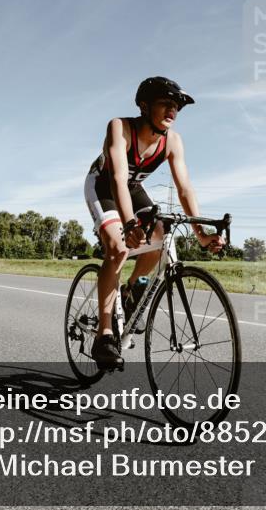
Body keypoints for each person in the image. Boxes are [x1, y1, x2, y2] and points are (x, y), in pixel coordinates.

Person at [84, 76, 224, 369]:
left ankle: (130, 292)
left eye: (176, 107)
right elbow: (118, 178)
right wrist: (129, 225)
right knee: (118, 248)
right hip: (104, 185)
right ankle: (104, 334)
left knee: (161, 239)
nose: (172, 110)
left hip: (134, 188)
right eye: (165, 103)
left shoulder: (172, 141)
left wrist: (201, 233)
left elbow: (184, 188)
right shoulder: (120, 127)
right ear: (144, 106)